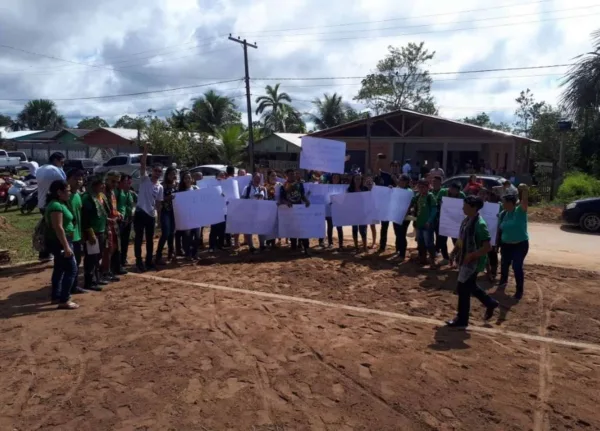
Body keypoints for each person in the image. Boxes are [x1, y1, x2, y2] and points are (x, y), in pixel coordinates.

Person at [446, 195, 499, 327]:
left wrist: (472, 255)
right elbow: (461, 240)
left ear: (473, 207)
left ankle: (462, 319)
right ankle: (490, 303)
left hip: (473, 263)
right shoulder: (466, 221)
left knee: (463, 289)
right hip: (465, 260)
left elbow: (487, 247)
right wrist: (454, 252)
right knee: (470, 286)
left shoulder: (480, 225)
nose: (463, 207)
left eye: (465, 205)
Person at [44, 180, 79, 309]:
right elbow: (58, 227)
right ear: (59, 192)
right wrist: (66, 246)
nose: (69, 193)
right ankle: (64, 299)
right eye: (67, 190)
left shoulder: (59, 204)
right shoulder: (55, 206)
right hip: (61, 242)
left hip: (62, 241)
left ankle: (56, 296)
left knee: (59, 268)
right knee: (71, 269)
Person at [133, 142, 164, 272]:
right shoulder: (144, 179)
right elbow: (143, 164)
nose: (157, 173)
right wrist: (146, 150)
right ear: (152, 171)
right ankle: (139, 261)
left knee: (150, 240)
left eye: (159, 172)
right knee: (139, 238)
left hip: (151, 215)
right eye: (156, 170)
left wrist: (159, 219)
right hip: (140, 213)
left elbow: (158, 203)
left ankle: (149, 261)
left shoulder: (160, 187)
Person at [498, 184, 530, 300]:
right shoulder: (504, 214)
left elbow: (524, 202)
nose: (502, 204)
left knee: (517, 267)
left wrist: (525, 191)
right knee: (504, 264)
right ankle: (503, 281)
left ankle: (519, 290)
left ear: (510, 203)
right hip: (506, 245)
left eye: (504, 202)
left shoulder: (519, 211)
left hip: (520, 244)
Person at [36, 152, 67, 260]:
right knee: (57, 228)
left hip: (41, 203)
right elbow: (64, 184)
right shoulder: (55, 170)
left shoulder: (39, 169)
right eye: (62, 162)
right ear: (55, 160)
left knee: (48, 229)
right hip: (53, 203)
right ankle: (57, 250)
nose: (62, 164)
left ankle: (45, 253)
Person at [81, 177, 108, 291]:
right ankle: (89, 281)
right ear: (94, 185)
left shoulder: (101, 196)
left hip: (101, 230)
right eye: (100, 184)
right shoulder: (88, 198)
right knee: (91, 257)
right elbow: (85, 218)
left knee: (98, 256)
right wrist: (90, 232)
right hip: (93, 232)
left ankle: (97, 278)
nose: (103, 187)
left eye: (103, 184)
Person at [279, 168, 311, 254]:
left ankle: (306, 247)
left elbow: (302, 196)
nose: (292, 176)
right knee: (292, 228)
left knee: (302, 228)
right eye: (290, 174)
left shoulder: (299, 184)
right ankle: (293, 246)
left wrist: (306, 201)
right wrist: (286, 202)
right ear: (287, 176)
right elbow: (281, 198)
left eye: (293, 174)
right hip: (290, 210)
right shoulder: (283, 186)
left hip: (299, 209)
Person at [101, 171, 126, 281]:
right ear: (107, 180)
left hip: (113, 223)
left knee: (114, 247)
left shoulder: (112, 192)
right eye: (113, 181)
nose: (115, 184)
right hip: (106, 224)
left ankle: (110, 269)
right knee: (108, 248)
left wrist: (118, 214)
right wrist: (109, 219)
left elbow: (113, 209)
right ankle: (105, 271)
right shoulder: (102, 193)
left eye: (117, 182)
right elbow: (101, 211)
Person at [66, 169, 87, 295]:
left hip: (78, 235)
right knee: (68, 265)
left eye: (81, 179)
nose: (79, 181)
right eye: (76, 179)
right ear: (68, 179)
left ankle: (73, 286)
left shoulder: (78, 196)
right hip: (68, 236)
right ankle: (64, 290)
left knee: (77, 262)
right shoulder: (65, 197)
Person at [155, 167, 178, 265]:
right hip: (165, 211)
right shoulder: (162, 185)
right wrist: (168, 198)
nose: (173, 176)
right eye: (171, 174)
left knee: (172, 233)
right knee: (165, 233)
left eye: (174, 174)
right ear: (167, 174)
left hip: (175, 212)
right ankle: (158, 255)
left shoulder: (176, 185)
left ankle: (170, 253)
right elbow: (159, 200)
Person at [412, 179, 438, 265]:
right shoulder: (418, 196)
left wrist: (429, 221)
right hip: (419, 223)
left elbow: (434, 210)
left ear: (427, 187)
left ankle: (432, 260)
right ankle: (422, 259)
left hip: (427, 224)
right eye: (419, 187)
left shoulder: (430, 196)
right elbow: (411, 202)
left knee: (429, 242)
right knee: (420, 242)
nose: (421, 189)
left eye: (423, 187)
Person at [177, 171, 201, 260]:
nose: (187, 180)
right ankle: (188, 254)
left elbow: (203, 198)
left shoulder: (196, 188)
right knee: (187, 237)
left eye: (189, 178)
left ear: (192, 179)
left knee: (197, 237)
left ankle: (195, 253)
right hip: (186, 217)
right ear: (183, 180)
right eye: (185, 178)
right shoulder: (180, 192)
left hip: (196, 216)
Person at [243, 172, 268, 253]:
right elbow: (242, 200)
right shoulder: (247, 188)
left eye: (259, 178)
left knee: (261, 229)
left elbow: (266, 200)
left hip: (260, 212)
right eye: (256, 178)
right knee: (249, 230)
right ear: (252, 179)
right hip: (249, 212)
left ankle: (262, 245)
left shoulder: (264, 188)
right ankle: (251, 247)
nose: (257, 180)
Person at [115, 174, 135, 268]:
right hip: (120, 220)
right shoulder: (117, 192)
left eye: (129, 181)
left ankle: (123, 259)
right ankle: (117, 262)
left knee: (125, 241)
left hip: (127, 219)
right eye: (126, 181)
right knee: (119, 242)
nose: (128, 183)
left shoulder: (129, 193)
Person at [347, 173, 368, 252]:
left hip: (363, 212)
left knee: (363, 230)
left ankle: (365, 247)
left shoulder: (365, 189)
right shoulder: (350, 189)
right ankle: (356, 247)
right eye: (356, 179)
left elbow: (370, 198)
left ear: (361, 180)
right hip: (354, 213)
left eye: (359, 179)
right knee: (354, 229)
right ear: (353, 180)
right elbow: (346, 200)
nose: (358, 181)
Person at [209, 171, 228, 252]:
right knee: (214, 229)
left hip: (224, 210)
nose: (222, 176)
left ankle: (220, 245)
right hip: (215, 210)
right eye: (220, 175)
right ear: (216, 176)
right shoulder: (212, 184)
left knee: (222, 229)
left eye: (223, 175)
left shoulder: (228, 185)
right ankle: (212, 246)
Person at [265, 169, 282, 248]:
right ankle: (269, 241)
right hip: (268, 210)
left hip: (279, 208)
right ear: (268, 176)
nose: (274, 177)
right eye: (272, 175)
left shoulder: (280, 185)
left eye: (275, 175)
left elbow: (284, 196)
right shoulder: (264, 186)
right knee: (269, 225)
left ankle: (277, 240)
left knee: (278, 225)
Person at [326, 173, 344, 250]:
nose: (335, 179)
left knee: (339, 228)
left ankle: (341, 244)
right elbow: (325, 197)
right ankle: (330, 243)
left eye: (337, 177)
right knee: (330, 227)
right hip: (329, 210)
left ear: (339, 178)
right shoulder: (327, 187)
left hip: (339, 210)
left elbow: (344, 198)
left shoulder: (342, 187)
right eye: (334, 177)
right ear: (332, 178)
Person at [364, 175, 378, 249]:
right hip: (365, 210)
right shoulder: (363, 190)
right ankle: (365, 242)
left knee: (373, 227)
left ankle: (374, 242)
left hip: (373, 210)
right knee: (364, 227)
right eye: (367, 182)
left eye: (370, 182)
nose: (369, 183)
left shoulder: (376, 190)